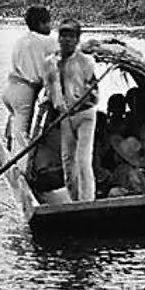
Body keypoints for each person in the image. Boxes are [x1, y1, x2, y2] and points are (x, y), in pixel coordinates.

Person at [43, 18, 99, 202]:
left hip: (84, 115)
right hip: (64, 117)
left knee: (83, 160)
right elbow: (50, 90)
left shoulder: (86, 62)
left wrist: (77, 105)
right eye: (63, 35)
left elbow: (94, 96)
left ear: (77, 40)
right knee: (68, 161)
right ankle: (75, 201)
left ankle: (88, 201)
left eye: (70, 36)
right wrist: (57, 107)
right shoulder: (50, 63)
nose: (66, 40)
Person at [1, 6, 55, 172]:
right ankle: (20, 170)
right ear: (40, 24)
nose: (51, 27)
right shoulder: (46, 41)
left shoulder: (21, 40)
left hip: (10, 89)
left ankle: (7, 147)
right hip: (25, 91)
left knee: (14, 122)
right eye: (48, 23)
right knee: (22, 133)